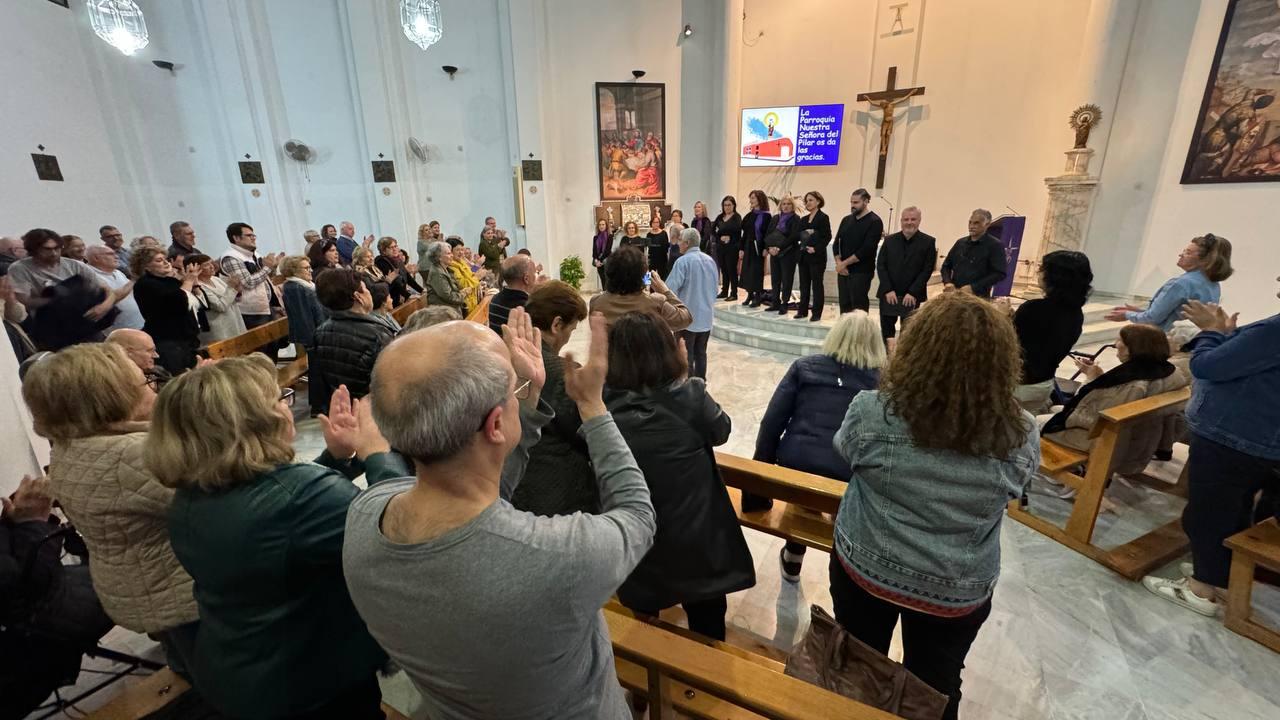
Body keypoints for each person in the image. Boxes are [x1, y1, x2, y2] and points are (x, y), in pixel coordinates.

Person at [343, 308, 655, 719]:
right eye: (514, 387)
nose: (520, 389)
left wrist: (525, 403)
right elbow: (637, 514)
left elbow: (482, 496)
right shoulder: (558, 558)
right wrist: (592, 404)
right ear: (494, 425)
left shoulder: (365, 515)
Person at [148, 360, 403, 720]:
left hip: (236, 664)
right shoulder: (300, 497)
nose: (286, 407)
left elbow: (284, 522)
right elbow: (398, 526)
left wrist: (337, 458)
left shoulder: (192, 495)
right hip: (308, 682)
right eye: (279, 400)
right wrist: (377, 453)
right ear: (257, 421)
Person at [830, 292, 1039, 720]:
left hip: (868, 569)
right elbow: (1018, 487)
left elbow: (845, 452)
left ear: (913, 348)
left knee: (858, 666)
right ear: (1001, 362)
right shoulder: (1020, 432)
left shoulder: (873, 411)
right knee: (936, 685)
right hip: (954, 587)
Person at [22, 343, 200, 675]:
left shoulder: (74, 445)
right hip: (182, 592)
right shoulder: (131, 456)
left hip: (139, 587)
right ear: (112, 401)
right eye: (146, 381)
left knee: (186, 659)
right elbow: (223, 497)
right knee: (212, 669)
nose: (154, 386)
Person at [605, 312, 753, 639]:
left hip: (638, 542)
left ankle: (646, 682)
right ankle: (709, 679)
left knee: (643, 620)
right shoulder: (690, 397)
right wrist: (685, 376)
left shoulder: (603, 405)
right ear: (668, 350)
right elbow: (721, 429)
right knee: (708, 620)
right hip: (696, 540)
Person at [1142, 288, 1280, 616]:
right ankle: (1218, 575)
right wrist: (1228, 337)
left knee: (1208, 514)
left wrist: (1211, 332)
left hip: (1233, 435)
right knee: (1233, 510)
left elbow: (1207, 367)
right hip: (1261, 436)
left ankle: (1200, 590)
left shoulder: (1275, 330)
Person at [753, 311, 884, 581]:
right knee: (839, 491)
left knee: (807, 489)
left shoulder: (805, 366)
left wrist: (761, 480)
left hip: (797, 461)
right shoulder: (882, 382)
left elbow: (772, 422)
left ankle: (793, 555)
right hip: (847, 472)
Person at [0, 475, 114, 717]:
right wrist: (32, 521)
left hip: (35, 610)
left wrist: (12, 523)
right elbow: (24, 589)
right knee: (134, 582)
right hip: (29, 636)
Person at [1041, 324, 1188, 477]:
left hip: (1106, 443)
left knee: (1035, 422)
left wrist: (1091, 379)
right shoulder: (1170, 372)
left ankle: (1071, 471)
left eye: (1119, 340)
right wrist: (1097, 376)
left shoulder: (1134, 383)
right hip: (1141, 438)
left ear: (1132, 347)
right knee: (1055, 409)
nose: (1115, 344)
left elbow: (1089, 416)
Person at [510, 281, 596, 516]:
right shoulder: (563, 374)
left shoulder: (501, 357)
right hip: (558, 489)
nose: (570, 336)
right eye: (573, 328)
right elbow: (592, 434)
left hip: (508, 483)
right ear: (557, 324)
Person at [1011, 250, 1092, 413]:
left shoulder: (1033, 309)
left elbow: (1008, 346)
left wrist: (1002, 318)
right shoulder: (1076, 313)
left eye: (1042, 268)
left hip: (1019, 386)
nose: (1038, 272)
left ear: (1055, 277)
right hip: (1045, 383)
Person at [309, 269, 397, 415]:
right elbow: (391, 382)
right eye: (366, 289)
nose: (369, 293)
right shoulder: (377, 333)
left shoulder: (320, 331)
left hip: (345, 410)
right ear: (358, 297)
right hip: (375, 412)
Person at [1106, 233, 1233, 331]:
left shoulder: (1181, 284)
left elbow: (1152, 319)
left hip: (1170, 343)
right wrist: (1139, 311)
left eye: (1188, 253)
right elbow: (1174, 314)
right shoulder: (1213, 284)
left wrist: (1127, 315)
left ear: (1204, 261)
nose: (1180, 255)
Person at [7, 228, 117, 323]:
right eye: (47, 249)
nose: (54, 253)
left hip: (86, 320)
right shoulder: (20, 269)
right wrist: (62, 299)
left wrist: (104, 306)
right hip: (52, 325)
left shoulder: (75, 265)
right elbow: (25, 301)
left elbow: (108, 290)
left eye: (57, 248)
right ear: (33, 250)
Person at [590, 245, 692, 333]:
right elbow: (685, 319)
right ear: (642, 275)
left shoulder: (596, 302)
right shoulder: (655, 302)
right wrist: (665, 290)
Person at [131, 247, 202, 374]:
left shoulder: (171, 281)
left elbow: (194, 304)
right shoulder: (145, 284)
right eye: (159, 260)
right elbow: (178, 302)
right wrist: (188, 281)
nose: (166, 262)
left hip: (187, 338)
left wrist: (194, 284)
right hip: (169, 341)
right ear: (146, 266)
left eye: (165, 259)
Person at [220, 223, 283, 360]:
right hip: (250, 311)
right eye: (249, 235)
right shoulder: (231, 257)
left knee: (273, 346)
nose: (254, 238)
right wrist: (267, 268)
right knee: (260, 351)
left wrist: (273, 267)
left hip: (265, 307)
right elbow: (247, 282)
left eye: (254, 235)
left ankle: (271, 377)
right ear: (236, 238)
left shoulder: (254, 255)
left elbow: (265, 278)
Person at [876, 206, 937, 343]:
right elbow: (881, 265)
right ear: (901, 221)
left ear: (919, 220)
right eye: (906, 219)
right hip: (889, 294)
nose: (909, 222)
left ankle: (903, 361)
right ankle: (886, 359)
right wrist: (888, 289)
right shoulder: (889, 240)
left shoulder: (928, 242)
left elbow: (926, 270)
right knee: (886, 332)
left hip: (911, 296)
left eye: (913, 219)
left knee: (909, 333)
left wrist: (913, 292)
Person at [666, 227, 719, 379]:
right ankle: (700, 384)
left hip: (686, 318)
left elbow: (670, 289)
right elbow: (715, 289)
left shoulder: (683, 262)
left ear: (687, 243)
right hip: (706, 316)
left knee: (684, 354)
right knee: (701, 353)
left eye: (681, 241)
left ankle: (687, 388)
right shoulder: (710, 261)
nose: (679, 244)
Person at [831, 188, 883, 313]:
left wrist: (844, 263)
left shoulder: (874, 221)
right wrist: (839, 263)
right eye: (851, 202)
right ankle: (845, 331)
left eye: (856, 203)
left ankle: (860, 332)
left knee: (858, 305)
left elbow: (866, 249)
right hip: (843, 271)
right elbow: (836, 243)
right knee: (844, 304)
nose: (852, 206)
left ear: (866, 201)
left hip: (861, 271)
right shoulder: (846, 220)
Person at [940, 209, 1005, 297]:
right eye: (970, 222)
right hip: (955, 294)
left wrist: (974, 287)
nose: (971, 226)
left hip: (979, 296)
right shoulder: (960, 243)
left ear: (987, 224)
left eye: (976, 223)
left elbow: (999, 273)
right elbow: (946, 266)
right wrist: (947, 282)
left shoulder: (995, 245)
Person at [186, 253, 245, 345]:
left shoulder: (215, 279)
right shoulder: (198, 287)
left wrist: (238, 291)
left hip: (234, 322)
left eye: (211, 263)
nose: (212, 266)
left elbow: (232, 299)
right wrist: (232, 288)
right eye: (206, 265)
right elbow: (220, 306)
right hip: (220, 330)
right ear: (197, 269)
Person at [86, 244, 143, 331]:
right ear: (96, 258)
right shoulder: (90, 276)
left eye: (115, 253)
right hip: (118, 331)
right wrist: (134, 279)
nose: (116, 256)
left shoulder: (118, 272)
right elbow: (111, 298)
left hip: (138, 324)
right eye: (110, 254)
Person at [794, 191, 832, 321]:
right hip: (804, 256)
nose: (808, 203)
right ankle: (802, 310)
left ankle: (816, 313)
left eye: (811, 200)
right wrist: (808, 234)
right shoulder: (804, 219)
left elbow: (827, 237)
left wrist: (815, 248)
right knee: (803, 285)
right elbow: (799, 234)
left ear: (818, 202)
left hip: (816, 257)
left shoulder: (823, 217)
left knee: (816, 285)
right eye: (807, 200)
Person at [278, 255, 328, 349]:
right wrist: (315, 342)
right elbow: (304, 318)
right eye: (306, 268)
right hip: (313, 339)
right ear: (294, 271)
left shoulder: (306, 285)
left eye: (310, 267)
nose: (311, 271)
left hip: (321, 332)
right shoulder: (295, 288)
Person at [763, 196, 802, 314]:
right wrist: (769, 248)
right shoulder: (775, 218)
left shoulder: (796, 218)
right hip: (774, 252)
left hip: (788, 253)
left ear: (792, 206)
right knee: (775, 279)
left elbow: (794, 236)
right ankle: (775, 302)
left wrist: (779, 247)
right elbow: (768, 233)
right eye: (783, 204)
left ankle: (784, 303)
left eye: (788, 204)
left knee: (787, 279)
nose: (785, 206)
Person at [739, 190, 772, 308]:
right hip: (748, 245)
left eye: (753, 198)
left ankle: (757, 296)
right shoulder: (749, 215)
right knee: (747, 271)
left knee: (756, 272)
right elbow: (745, 233)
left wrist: (766, 248)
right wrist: (741, 249)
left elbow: (768, 233)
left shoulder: (766, 216)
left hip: (759, 247)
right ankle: (750, 295)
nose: (751, 200)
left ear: (760, 199)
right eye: (750, 198)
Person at [489, 255, 535, 334]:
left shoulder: (494, 299)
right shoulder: (530, 307)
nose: (536, 277)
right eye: (534, 273)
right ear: (526, 279)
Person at [423, 241, 469, 314]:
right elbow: (449, 296)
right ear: (439, 257)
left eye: (462, 250)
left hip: (452, 307)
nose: (461, 252)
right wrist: (464, 293)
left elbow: (471, 275)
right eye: (448, 253)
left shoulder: (460, 263)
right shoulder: (438, 272)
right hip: (443, 312)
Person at [374, 236, 421, 306]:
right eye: (391, 247)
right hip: (392, 297)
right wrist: (408, 295)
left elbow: (408, 278)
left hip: (401, 294)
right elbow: (394, 281)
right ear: (383, 250)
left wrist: (421, 290)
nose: (395, 249)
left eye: (395, 246)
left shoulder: (397, 260)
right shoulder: (381, 261)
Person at [712, 196, 743, 299]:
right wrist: (720, 238)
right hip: (721, 247)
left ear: (733, 205)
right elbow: (713, 230)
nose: (727, 207)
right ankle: (724, 291)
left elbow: (738, 233)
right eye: (725, 205)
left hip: (732, 247)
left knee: (731, 270)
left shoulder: (737, 217)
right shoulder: (720, 217)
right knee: (724, 269)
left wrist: (730, 238)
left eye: (729, 205)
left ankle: (734, 293)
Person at [446, 238, 484, 314]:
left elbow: (471, 273)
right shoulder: (452, 266)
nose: (462, 253)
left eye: (462, 250)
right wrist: (478, 265)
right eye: (458, 250)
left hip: (472, 299)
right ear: (450, 251)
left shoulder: (462, 261)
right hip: (464, 302)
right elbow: (464, 284)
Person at [591, 218, 613, 291]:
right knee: (602, 278)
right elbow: (594, 250)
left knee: (608, 279)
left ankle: (608, 294)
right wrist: (596, 260)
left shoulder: (610, 236)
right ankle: (604, 293)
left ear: (606, 226)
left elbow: (607, 250)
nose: (601, 226)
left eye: (603, 224)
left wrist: (600, 260)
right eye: (600, 225)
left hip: (607, 259)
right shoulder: (595, 237)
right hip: (598, 260)